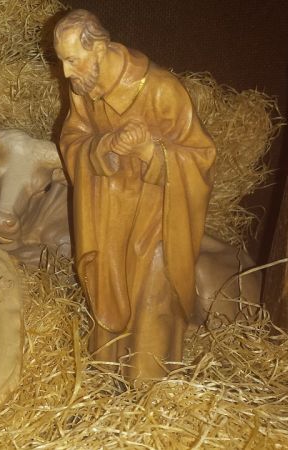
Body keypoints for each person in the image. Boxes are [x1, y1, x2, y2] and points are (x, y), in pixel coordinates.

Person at [54, 10, 216, 380]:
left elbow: (202, 158)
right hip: (109, 212)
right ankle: (107, 377)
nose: (65, 71)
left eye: (72, 60)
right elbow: (73, 139)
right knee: (109, 290)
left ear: (98, 49)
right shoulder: (83, 88)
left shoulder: (161, 90)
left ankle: (148, 388)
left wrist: (149, 152)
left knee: (152, 293)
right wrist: (105, 145)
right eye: (61, 60)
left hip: (157, 215)